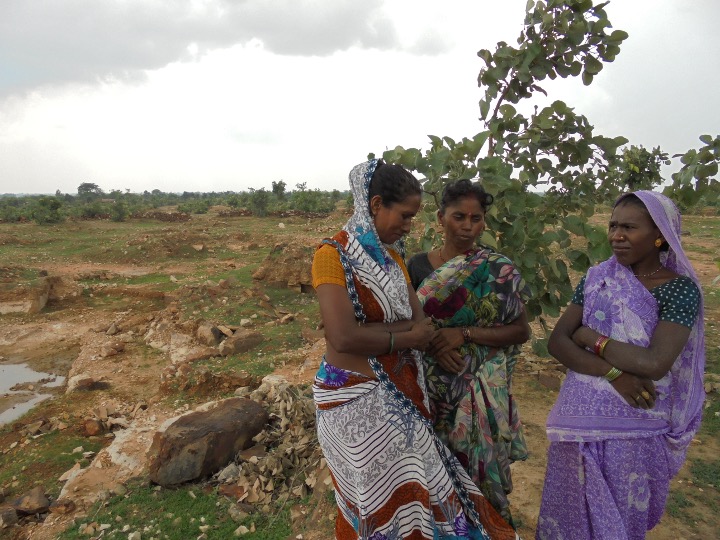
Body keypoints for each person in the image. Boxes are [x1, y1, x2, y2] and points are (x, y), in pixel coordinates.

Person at [312, 160, 518, 540]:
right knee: (370, 498)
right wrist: (406, 337)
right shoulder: (332, 255)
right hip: (353, 398)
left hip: (401, 392)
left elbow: (420, 320)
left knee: (416, 493)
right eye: (405, 216)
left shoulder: (393, 260)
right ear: (375, 204)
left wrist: (391, 333)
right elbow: (342, 338)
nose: (408, 226)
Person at [536, 191, 705, 540]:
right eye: (613, 226)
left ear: (660, 234)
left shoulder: (679, 290)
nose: (616, 235)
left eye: (629, 227)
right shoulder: (598, 277)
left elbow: (654, 363)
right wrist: (612, 373)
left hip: (637, 428)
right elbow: (557, 342)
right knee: (570, 521)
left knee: (620, 523)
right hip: (578, 426)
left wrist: (590, 337)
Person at [406, 179, 532, 527]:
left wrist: (462, 335)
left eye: (476, 218)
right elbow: (406, 324)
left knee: (478, 482)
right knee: (433, 477)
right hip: (431, 392)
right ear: (440, 217)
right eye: (458, 216)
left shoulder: (497, 269)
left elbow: (521, 330)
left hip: (479, 389)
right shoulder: (416, 266)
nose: (467, 226)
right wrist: (435, 341)